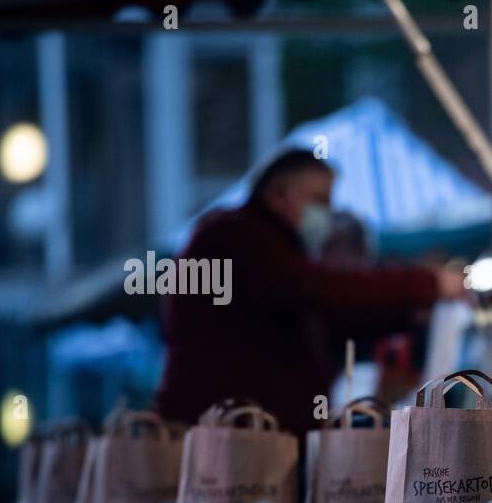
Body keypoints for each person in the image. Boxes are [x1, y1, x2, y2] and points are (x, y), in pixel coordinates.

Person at [154, 148, 464, 432]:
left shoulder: (275, 249)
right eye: (319, 200)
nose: (327, 213)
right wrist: (426, 284)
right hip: (225, 443)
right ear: (278, 195)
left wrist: (406, 312)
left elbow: (329, 315)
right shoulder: (235, 236)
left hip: (248, 438)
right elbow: (322, 291)